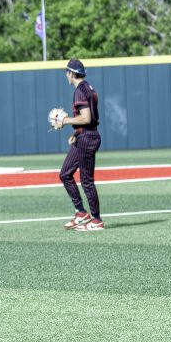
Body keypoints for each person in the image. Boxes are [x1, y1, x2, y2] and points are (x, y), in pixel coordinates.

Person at [56, 59, 104, 230]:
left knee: (86, 181)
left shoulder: (80, 91)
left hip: (88, 138)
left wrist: (65, 120)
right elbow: (87, 120)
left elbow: (86, 118)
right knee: (65, 174)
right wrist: (76, 132)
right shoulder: (87, 87)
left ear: (71, 73)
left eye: (66, 73)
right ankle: (81, 213)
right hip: (84, 135)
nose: (66, 76)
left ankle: (96, 220)